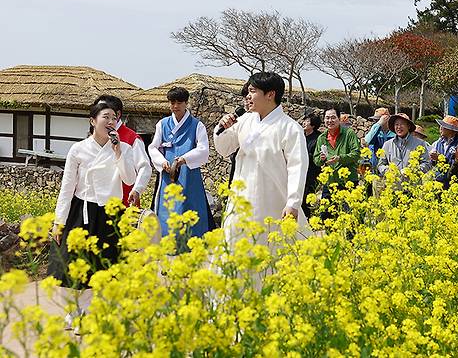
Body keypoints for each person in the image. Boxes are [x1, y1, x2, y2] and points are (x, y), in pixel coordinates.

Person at [48, 102, 136, 322]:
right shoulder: (78, 149)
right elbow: (67, 187)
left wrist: (117, 152)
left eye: (114, 118)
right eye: (105, 117)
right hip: (82, 209)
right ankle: (76, 310)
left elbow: (129, 179)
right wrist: (59, 220)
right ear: (92, 121)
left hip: (110, 213)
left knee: (106, 263)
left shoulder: (124, 148)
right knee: (75, 262)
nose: (111, 121)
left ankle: (95, 312)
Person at [214, 72, 310, 244]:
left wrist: (293, 203)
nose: (248, 97)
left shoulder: (290, 128)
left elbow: (297, 167)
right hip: (241, 196)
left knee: (272, 246)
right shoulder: (245, 120)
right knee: (237, 245)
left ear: (270, 94)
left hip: (272, 199)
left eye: (252, 91)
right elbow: (224, 148)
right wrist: (221, 128)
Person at [149, 87, 213, 240]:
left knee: (189, 208)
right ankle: (167, 244)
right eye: (172, 103)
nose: (175, 106)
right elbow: (153, 147)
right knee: (167, 208)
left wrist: (185, 159)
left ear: (186, 103)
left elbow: (203, 149)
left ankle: (192, 245)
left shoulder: (197, 125)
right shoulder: (162, 124)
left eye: (179, 102)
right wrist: (162, 162)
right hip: (167, 175)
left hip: (189, 175)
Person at [93, 95, 152, 208]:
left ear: (118, 114)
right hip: (95, 201)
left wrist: (137, 189)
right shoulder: (94, 137)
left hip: (123, 201)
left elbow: (144, 167)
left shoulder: (132, 138)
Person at [313, 107, 360, 220]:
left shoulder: (349, 133)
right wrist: (322, 158)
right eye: (327, 118)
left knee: (349, 218)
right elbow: (316, 160)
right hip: (329, 182)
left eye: (333, 117)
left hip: (348, 181)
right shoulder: (322, 138)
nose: (330, 121)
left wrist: (340, 158)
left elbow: (356, 154)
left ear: (339, 119)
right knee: (326, 216)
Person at [301, 113, 322, 219]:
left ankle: (308, 221)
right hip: (300, 171)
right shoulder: (301, 135)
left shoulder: (318, 138)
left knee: (306, 199)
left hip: (312, 173)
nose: (304, 123)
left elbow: (317, 156)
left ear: (313, 125)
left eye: (307, 121)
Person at [429, 116, 458, 181]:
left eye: (444, 126)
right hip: (437, 180)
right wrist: (433, 159)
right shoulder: (438, 142)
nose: (440, 128)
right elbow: (432, 163)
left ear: (451, 130)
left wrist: (442, 159)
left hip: (451, 182)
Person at [364, 108, 395, 172]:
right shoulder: (375, 131)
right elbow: (367, 141)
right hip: (375, 168)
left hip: (390, 169)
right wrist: (378, 124)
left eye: (377, 119)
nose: (376, 122)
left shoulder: (394, 133)